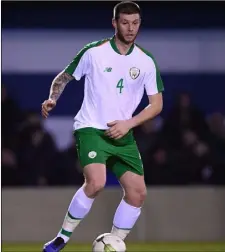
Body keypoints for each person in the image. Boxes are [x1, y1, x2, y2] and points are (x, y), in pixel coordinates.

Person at [41, 1, 164, 251]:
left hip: (123, 133)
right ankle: (62, 238)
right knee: (96, 182)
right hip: (91, 128)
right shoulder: (94, 52)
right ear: (114, 24)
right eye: (125, 22)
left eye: (135, 23)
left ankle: (114, 243)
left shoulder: (146, 61)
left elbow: (156, 104)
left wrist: (129, 123)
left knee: (137, 193)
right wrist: (53, 97)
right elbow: (63, 77)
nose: (131, 28)